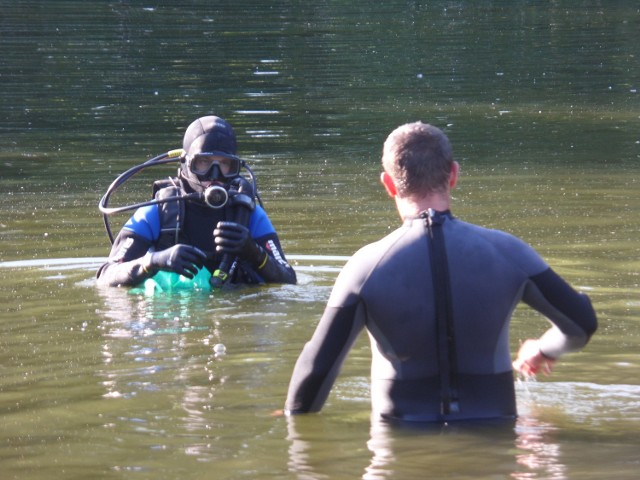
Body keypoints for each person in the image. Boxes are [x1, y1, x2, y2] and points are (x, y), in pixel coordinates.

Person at [284, 121, 597, 422]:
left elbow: (317, 369)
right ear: (454, 175)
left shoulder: (365, 268)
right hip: (494, 445)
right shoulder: (509, 253)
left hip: (398, 449)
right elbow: (582, 324)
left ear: (388, 184)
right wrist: (542, 348)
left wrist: (290, 413)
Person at [97, 115, 296, 288]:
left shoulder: (248, 215)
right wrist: (153, 261)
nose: (215, 175)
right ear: (186, 163)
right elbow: (106, 276)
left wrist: (255, 253)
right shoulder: (159, 212)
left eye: (225, 164)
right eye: (204, 163)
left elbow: (288, 279)